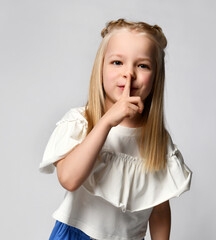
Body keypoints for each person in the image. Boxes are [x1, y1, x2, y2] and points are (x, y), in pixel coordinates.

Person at [39, 19, 192, 240]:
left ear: (156, 77)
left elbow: (159, 209)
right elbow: (69, 179)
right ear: (101, 67)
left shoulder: (157, 140)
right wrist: (106, 122)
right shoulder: (82, 122)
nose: (128, 73)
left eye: (142, 65)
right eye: (117, 62)